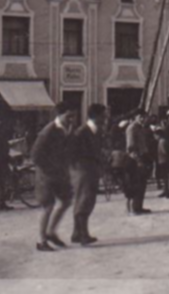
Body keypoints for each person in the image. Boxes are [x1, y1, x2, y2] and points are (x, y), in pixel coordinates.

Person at [31, 102, 77, 252]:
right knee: (48, 206)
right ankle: (41, 240)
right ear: (60, 114)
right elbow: (35, 155)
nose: (72, 119)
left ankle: (51, 232)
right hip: (46, 175)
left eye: (73, 116)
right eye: (68, 116)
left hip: (60, 174)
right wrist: (51, 169)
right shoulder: (48, 131)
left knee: (66, 201)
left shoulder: (67, 129)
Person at [70, 103, 107, 245]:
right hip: (83, 171)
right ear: (96, 116)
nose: (105, 118)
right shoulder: (82, 132)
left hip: (90, 170)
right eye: (103, 115)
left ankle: (76, 233)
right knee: (84, 201)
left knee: (86, 200)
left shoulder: (95, 131)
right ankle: (83, 234)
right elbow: (73, 152)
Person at [125, 112, 152, 215]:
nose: (143, 119)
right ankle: (133, 208)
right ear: (135, 117)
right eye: (140, 117)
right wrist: (138, 161)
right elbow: (131, 147)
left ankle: (139, 207)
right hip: (134, 160)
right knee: (134, 184)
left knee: (141, 184)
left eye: (144, 117)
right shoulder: (132, 128)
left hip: (142, 158)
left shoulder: (140, 128)